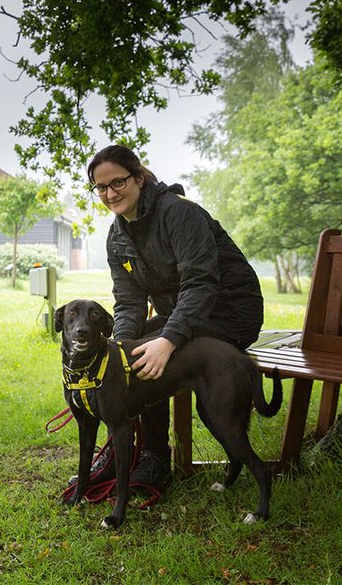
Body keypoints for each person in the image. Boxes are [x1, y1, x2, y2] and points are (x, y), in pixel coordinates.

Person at [87, 144, 264, 490]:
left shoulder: (180, 214)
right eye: (101, 187)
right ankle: (129, 451)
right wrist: (119, 351)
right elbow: (128, 300)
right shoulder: (116, 235)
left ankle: (154, 459)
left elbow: (200, 283)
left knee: (152, 353)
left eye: (118, 183)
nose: (110, 193)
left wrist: (168, 340)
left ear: (138, 178)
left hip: (231, 312)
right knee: (132, 353)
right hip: (186, 315)